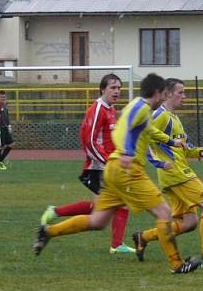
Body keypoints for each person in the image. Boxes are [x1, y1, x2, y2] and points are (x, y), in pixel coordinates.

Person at [32, 73, 202, 274]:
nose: (165, 98)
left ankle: (48, 231)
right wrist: (128, 153)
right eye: (164, 94)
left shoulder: (137, 106)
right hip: (129, 170)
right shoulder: (141, 108)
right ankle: (177, 265)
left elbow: (147, 131)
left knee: (98, 221)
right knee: (163, 213)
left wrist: (172, 142)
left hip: (113, 169)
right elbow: (129, 126)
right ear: (157, 93)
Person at [132, 78, 203, 264]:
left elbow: (184, 147)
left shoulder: (174, 117)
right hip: (176, 174)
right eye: (181, 92)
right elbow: (143, 137)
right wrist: (159, 163)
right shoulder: (160, 115)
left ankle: (143, 237)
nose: (184, 97)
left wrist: (200, 151)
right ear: (168, 93)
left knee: (189, 223)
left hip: (176, 174)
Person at [39, 74, 134, 254]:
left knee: (106, 208)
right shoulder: (97, 109)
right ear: (102, 89)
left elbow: (109, 139)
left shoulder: (111, 110)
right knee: (112, 206)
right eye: (113, 87)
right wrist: (108, 161)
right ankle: (115, 245)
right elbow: (89, 141)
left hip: (107, 166)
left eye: (119, 88)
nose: (117, 91)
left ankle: (56, 213)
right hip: (97, 168)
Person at [0, 90, 14, 170]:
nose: (3, 98)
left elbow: (7, 117)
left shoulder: (5, 105)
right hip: (0, 128)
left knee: (11, 144)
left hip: (5, 128)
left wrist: (9, 125)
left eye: (4, 97)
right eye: (1, 97)